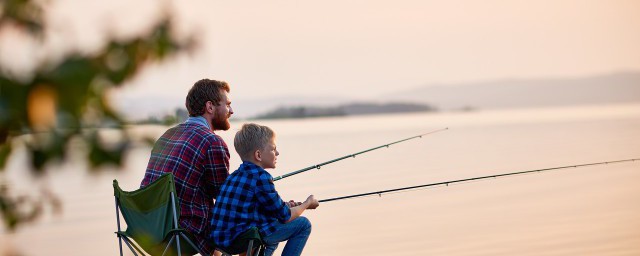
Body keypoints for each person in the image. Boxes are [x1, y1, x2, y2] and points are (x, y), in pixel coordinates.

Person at [140, 79, 234, 256]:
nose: (231, 111)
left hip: (149, 228)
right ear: (210, 107)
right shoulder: (212, 141)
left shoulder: (167, 135)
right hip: (181, 233)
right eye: (227, 105)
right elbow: (225, 198)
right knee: (254, 228)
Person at [210, 123, 319, 256]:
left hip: (221, 241)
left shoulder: (234, 176)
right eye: (273, 149)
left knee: (272, 225)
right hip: (242, 240)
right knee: (303, 225)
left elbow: (262, 207)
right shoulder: (262, 177)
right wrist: (307, 203)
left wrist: (286, 205)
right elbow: (286, 216)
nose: (277, 153)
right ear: (258, 155)